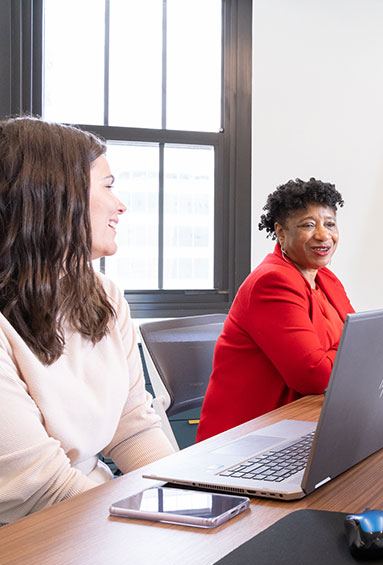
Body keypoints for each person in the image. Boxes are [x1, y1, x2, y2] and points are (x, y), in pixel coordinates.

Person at [0, 117, 175, 524]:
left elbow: (132, 426)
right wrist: (157, 531)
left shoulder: (104, 294)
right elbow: (40, 488)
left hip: (90, 508)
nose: (120, 204)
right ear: (54, 197)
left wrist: (188, 495)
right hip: (28, 534)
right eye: (108, 185)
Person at [196, 177, 354, 441]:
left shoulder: (325, 278)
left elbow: (359, 342)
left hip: (299, 421)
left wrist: (345, 351)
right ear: (281, 232)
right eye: (308, 225)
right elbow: (314, 376)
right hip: (247, 440)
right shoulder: (272, 282)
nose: (323, 235)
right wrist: (350, 351)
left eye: (330, 224)